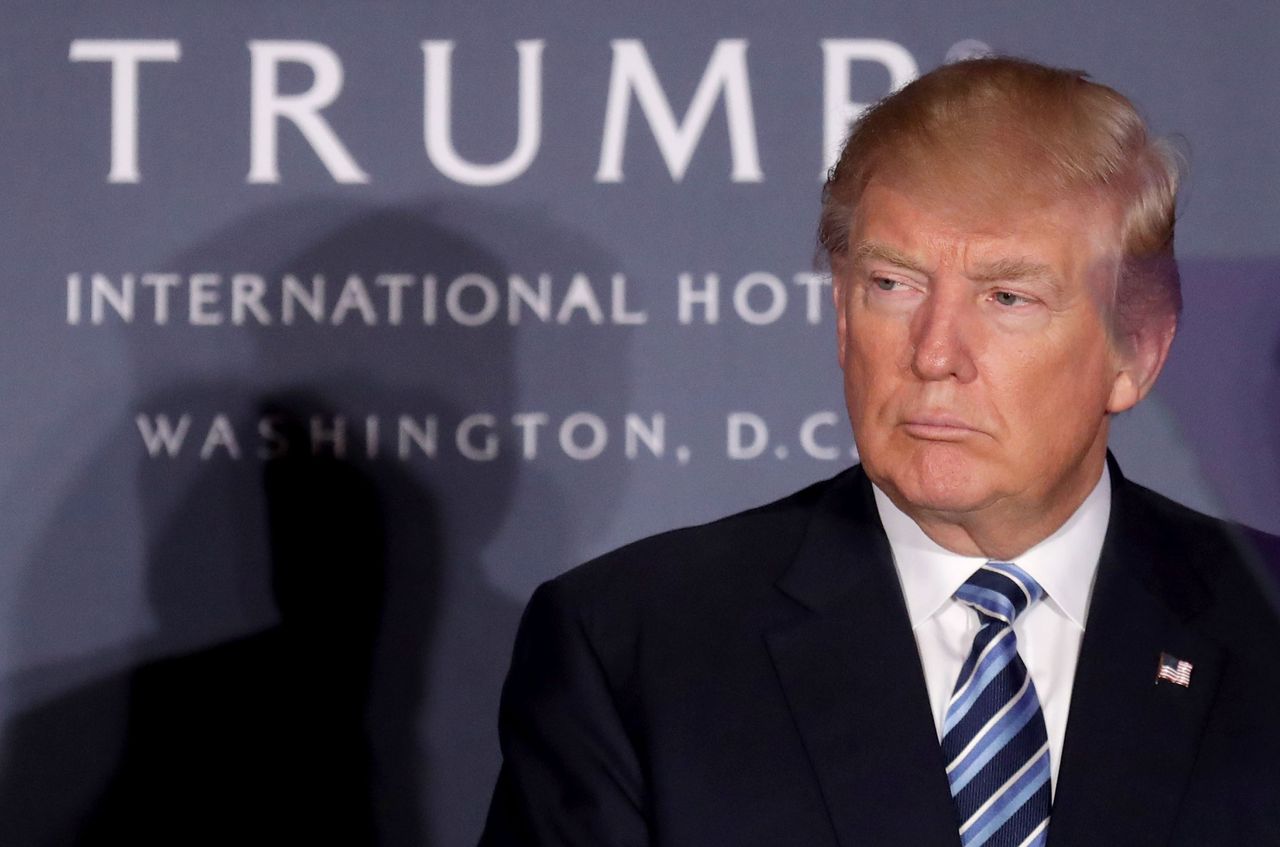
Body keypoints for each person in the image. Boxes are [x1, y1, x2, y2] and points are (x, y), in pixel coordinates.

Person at [478, 57, 1280, 846]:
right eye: (892, 285)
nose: (934, 352)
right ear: (840, 312)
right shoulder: (634, 650)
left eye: (1007, 297)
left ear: (1136, 350)